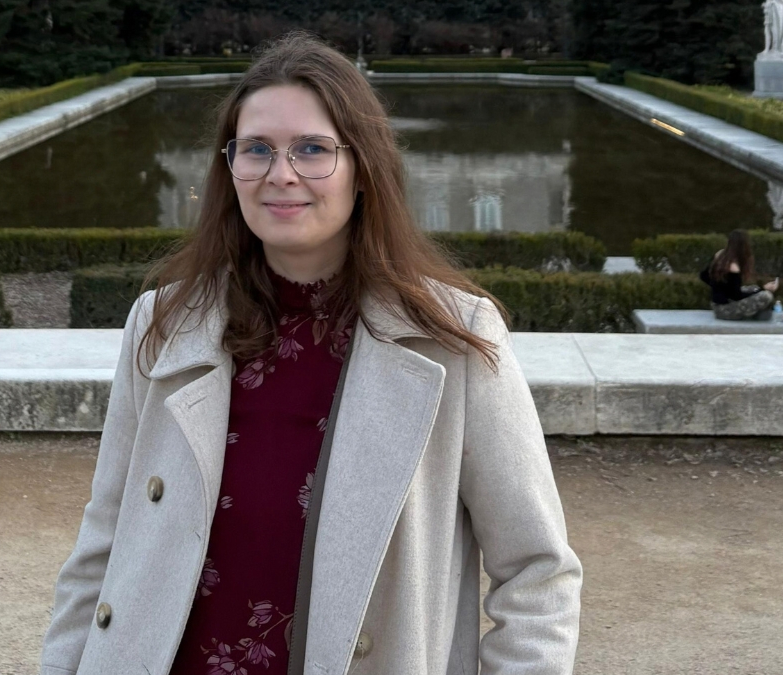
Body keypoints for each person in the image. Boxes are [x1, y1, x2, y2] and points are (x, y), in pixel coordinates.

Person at [40, 32, 582, 675]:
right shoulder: (162, 324)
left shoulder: (455, 339)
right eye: (257, 150)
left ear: (363, 170)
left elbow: (537, 572)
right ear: (230, 167)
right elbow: (104, 543)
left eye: (313, 150)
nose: (281, 173)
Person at [698, 229, 779, 321]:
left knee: (753, 288)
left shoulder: (720, 255)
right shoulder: (734, 267)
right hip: (725, 310)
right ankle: (758, 313)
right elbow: (736, 296)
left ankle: (759, 309)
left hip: (717, 304)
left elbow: (703, 276)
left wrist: (719, 289)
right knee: (766, 296)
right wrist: (764, 289)